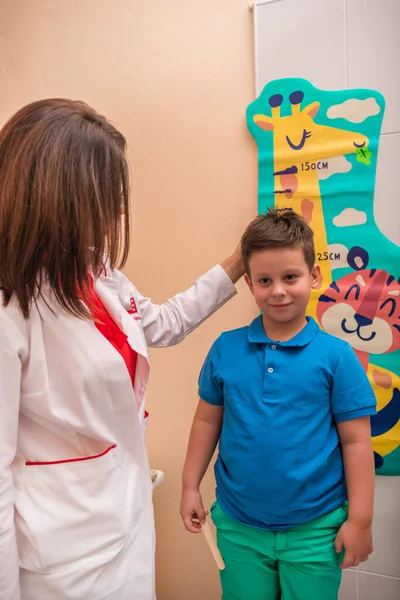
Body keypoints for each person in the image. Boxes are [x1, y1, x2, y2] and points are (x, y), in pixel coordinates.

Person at [0, 98, 244, 600]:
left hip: (125, 516)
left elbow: (164, 323)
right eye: (108, 195)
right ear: (59, 193)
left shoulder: (96, 274)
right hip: (61, 559)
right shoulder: (11, 306)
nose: (118, 210)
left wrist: (239, 261)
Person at [180, 208, 376, 600]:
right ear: (249, 284)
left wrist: (361, 520)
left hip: (316, 531)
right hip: (238, 528)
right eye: (265, 281)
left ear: (314, 276)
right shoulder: (226, 348)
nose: (278, 290)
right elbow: (206, 423)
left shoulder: (337, 357)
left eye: (290, 277)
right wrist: (189, 486)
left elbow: (356, 443)